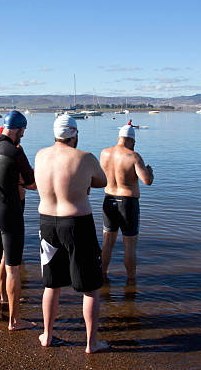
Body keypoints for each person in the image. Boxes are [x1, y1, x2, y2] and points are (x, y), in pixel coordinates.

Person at [34, 114, 108, 354]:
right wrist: (82, 181)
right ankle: (91, 343)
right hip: (77, 223)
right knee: (90, 287)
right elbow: (102, 181)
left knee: (51, 284)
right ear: (75, 134)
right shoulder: (84, 157)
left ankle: (47, 334)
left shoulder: (40, 156)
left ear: (55, 134)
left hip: (47, 223)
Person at [0, 111, 36, 329]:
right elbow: (32, 184)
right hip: (9, 212)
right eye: (23, 131)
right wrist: (21, 184)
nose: (23, 134)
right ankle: (14, 320)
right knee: (12, 267)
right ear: (19, 129)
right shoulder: (14, 151)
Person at [99, 124, 153, 285]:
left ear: (119, 138)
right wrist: (150, 171)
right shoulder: (133, 156)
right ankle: (131, 281)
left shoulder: (104, 153)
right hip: (127, 203)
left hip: (108, 200)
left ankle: (102, 276)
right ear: (132, 141)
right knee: (129, 246)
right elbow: (147, 181)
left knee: (107, 242)